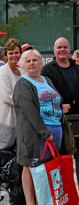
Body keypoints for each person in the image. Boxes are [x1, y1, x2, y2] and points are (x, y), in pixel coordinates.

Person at [13, 49, 65, 205]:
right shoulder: (23, 84)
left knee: (49, 167)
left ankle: (49, 203)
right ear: (22, 65)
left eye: (35, 60)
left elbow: (56, 98)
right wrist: (44, 132)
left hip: (55, 129)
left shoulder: (47, 80)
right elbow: (29, 111)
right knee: (30, 166)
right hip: (35, 133)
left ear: (41, 63)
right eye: (28, 61)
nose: (32, 63)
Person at [41, 37, 79, 184]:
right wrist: (58, 105)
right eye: (59, 47)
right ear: (54, 50)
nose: (62, 50)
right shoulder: (47, 70)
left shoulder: (77, 68)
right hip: (58, 122)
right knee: (62, 159)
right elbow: (43, 94)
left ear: (69, 49)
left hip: (77, 120)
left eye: (65, 47)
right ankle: (64, 195)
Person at [0, 38, 23, 152]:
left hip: (22, 121)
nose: (14, 55)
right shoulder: (2, 71)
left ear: (20, 53)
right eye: (10, 53)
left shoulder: (23, 71)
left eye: (16, 52)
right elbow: (6, 97)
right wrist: (26, 104)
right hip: (7, 120)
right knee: (4, 155)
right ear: (5, 55)